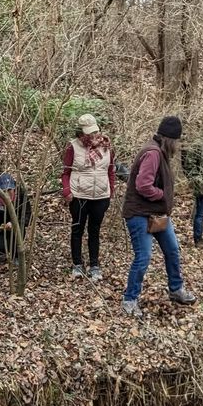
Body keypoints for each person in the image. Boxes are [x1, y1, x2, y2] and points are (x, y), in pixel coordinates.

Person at [120, 116, 196, 317]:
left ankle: (176, 289)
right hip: (139, 214)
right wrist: (162, 196)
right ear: (171, 139)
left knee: (172, 250)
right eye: (178, 141)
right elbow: (143, 185)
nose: (179, 145)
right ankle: (130, 299)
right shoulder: (153, 153)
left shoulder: (159, 152)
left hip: (157, 214)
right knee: (143, 257)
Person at [61, 113, 115, 281]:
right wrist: (67, 190)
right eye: (88, 132)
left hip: (100, 196)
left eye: (94, 131)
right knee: (77, 229)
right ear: (81, 132)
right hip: (78, 196)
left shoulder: (107, 147)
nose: (92, 135)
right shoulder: (73, 147)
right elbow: (66, 172)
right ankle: (77, 264)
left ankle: (94, 265)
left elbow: (110, 171)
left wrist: (110, 192)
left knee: (94, 231)